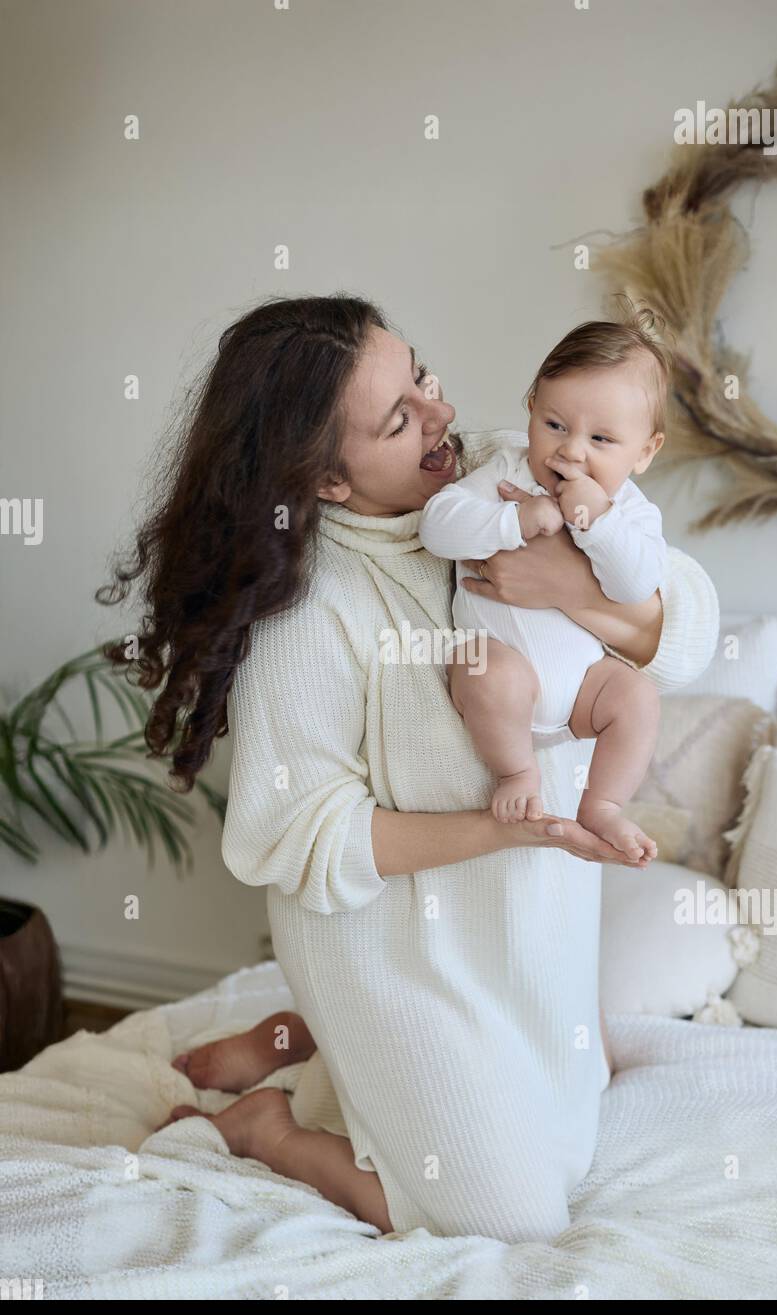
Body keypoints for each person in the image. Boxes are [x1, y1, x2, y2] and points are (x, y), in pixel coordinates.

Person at [102, 294, 719, 1244]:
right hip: (394, 949)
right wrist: (503, 828)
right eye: (399, 418)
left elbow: (692, 636)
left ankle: (303, 1047)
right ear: (329, 483)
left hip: (519, 918)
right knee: (503, 1215)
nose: (441, 415)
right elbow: (294, 836)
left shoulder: (499, 468)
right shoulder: (310, 617)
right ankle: (270, 1123)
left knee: (576, 1123)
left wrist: (574, 593)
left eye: (421, 377)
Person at [419, 309, 671, 862]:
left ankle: (602, 804)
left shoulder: (630, 511)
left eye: (602, 438)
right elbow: (437, 527)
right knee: (484, 665)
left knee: (637, 697)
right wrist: (514, 523)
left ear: (645, 452)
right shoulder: (506, 473)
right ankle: (516, 770)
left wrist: (599, 524)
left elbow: (636, 587)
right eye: (556, 425)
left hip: (584, 690)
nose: (571, 451)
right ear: (531, 406)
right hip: (505, 679)